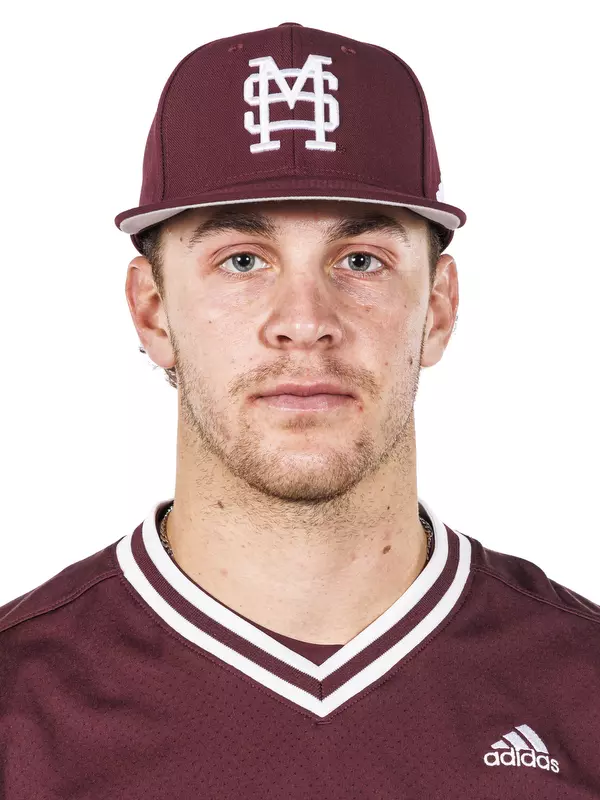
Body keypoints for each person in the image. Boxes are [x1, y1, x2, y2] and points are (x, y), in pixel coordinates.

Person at [1, 21, 598, 799]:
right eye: (242, 260)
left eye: (360, 261)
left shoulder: (582, 693)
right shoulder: (19, 710)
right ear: (152, 312)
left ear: (439, 309)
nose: (305, 318)